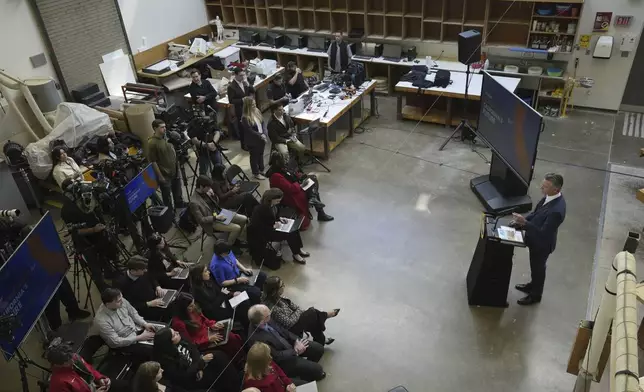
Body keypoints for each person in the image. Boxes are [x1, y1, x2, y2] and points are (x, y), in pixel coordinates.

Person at [511, 173, 567, 306]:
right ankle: (532, 285)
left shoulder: (556, 211)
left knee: (538, 268)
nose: (542, 188)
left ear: (556, 190)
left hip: (542, 244)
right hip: (534, 239)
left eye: (546, 187)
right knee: (534, 267)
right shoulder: (548, 197)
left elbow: (544, 233)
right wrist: (521, 222)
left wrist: (525, 223)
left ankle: (536, 295)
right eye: (543, 185)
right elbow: (536, 214)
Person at [61, 180, 119, 292]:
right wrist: (93, 229)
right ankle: (102, 288)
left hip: (99, 235)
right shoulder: (67, 210)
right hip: (85, 242)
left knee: (104, 256)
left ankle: (109, 272)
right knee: (95, 267)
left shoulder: (87, 197)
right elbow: (76, 231)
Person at [247, 305, 325, 382]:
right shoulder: (256, 339)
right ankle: (306, 373)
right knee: (318, 370)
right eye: (268, 315)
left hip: (291, 345)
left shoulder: (267, 319)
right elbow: (276, 356)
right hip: (284, 361)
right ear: (262, 321)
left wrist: (296, 341)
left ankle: (306, 370)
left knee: (319, 349)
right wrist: (295, 351)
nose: (270, 314)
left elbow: (284, 331)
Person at [153, 327, 241, 392]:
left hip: (198, 367)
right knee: (219, 372)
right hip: (191, 381)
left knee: (219, 356)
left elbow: (193, 350)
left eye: (175, 331)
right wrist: (200, 364)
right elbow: (184, 376)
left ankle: (237, 385)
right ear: (169, 342)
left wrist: (200, 366)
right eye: (174, 335)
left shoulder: (181, 339)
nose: (177, 332)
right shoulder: (166, 361)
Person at [262, 276, 339, 345]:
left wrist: (297, 313)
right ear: (274, 291)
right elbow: (289, 323)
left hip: (295, 321)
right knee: (312, 313)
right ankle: (325, 316)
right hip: (290, 330)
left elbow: (296, 307)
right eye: (282, 286)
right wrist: (298, 313)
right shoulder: (273, 309)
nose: (284, 287)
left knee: (314, 318)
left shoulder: (281, 298)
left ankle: (321, 339)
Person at [171, 293, 244, 365]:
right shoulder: (178, 323)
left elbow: (204, 320)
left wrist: (212, 324)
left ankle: (240, 356)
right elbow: (189, 343)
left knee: (232, 336)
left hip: (208, 332)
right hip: (202, 342)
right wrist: (208, 339)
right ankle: (238, 360)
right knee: (229, 340)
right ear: (183, 308)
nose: (193, 306)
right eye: (190, 306)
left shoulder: (193, 308)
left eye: (193, 303)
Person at [266, 152, 333, 230]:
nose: (286, 160)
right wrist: (299, 184)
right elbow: (290, 188)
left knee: (312, 179)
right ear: (278, 161)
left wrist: (300, 177)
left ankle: (314, 201)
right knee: (311, 184)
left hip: (295, 187)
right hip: (289, 195)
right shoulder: (275, 175)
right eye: (284, 159)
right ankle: (319, 209)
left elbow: (292, 175)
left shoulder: (281, 168)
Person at [90, 288, 158, 358]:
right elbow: (115, 342)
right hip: (124, 343)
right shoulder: (101, 321)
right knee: (153, 350)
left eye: (121, 298)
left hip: (136, 330)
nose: (122, 301)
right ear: (108, 304)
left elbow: (133, 314)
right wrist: (139, 338)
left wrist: (144, 324)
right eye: (119, 301)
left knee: (161, 336)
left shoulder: (120, 300)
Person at [249, 188, 308, 265]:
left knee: (294, 228)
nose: (279, 202)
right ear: (271, 199)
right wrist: (273, 225)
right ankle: (296, 254)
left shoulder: (272, 205)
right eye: (277, 201)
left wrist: (279, 218)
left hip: (272, 227)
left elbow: (274, 216)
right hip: (265, 233)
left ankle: (298, 249)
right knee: (290, 233)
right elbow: (259, 226)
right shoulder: (262, 209)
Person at [46, 338, 128, 392]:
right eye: (67, 361)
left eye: (71, 357)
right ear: (58, 364)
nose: (72, 361)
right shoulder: (58, 384)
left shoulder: (73, 357)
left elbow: (89, 368)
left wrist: (100, 378)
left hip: (95, 385)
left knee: (127, 386)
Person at [189, 175, 248, 249]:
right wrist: (215, 217)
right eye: (208, 187)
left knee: (244, 219)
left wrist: (213, 195)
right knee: (237, 228)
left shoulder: (207, 192)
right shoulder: (194, 202)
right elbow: (201, 220)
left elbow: (217, 202)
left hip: (220, 213)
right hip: (212, 222)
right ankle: (228, 247)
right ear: (201, 186)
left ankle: (234, 239)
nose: (209, 189)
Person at [189, 264, 251, 330]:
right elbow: (210, 308)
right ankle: (247, 327)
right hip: (216, 312)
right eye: (205, 271)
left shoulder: (208, 280)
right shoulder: (197, 292)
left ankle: (248, 324)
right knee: (241, 308)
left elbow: (221, 290)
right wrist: (222, 295)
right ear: (199, 275)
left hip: (223, 302)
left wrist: (232, 294)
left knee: (244, 300)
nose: (208, 272)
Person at [115, 256, 172, 321]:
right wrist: (148, 304)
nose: (146, 270)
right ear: (133, 271)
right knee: (169, 311)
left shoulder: (143, 271)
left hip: (156, 298)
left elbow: (152, 278)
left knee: (176, 300)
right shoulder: (121, 283)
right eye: (143, 269)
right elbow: (128, 305)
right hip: (145, 309)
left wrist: (157, 286)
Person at [147, 119, 185, 212]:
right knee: (167, 195)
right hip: (165, 174)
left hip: (174, 170)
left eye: (165, 127)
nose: (164, 129)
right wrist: (160, 176)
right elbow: (153, 161)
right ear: (155, 128)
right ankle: (169, 212)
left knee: (177, 190)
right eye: (162, 127)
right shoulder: (152, 143)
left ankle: (179, 205)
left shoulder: (167, 138)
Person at [228, 67, 255, 150]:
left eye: (243, 75)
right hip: (240, 109)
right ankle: (244, 145)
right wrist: (242, 100)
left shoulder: (245, 82)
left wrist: (248, 84)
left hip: (249, 108)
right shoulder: (231, 87)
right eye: (240, 75)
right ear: (235, 75)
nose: (243, 77)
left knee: (250, 125)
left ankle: (251, 142)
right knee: (243, 127)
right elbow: (231, 100)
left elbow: (253, 90)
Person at [241, 96, 268, 180]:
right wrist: (261, 135)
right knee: (254, 157)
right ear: (247, 106)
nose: (254, 106)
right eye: (252, 105)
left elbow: (262, 122)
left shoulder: (257, 111)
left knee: (260, 154)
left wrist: (264, 132)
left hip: (261, 138)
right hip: (253, 140)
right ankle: (256, 173)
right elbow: (250, 131)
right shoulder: (245, 117)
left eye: (255, 104)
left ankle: (261, 169)